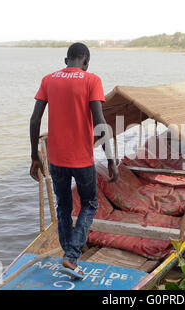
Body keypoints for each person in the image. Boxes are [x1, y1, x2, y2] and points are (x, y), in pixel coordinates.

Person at [29, 42, 119, 277]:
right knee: (89, 204)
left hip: (56, 159)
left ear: (65, 59)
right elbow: (100, 122)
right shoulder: (92, 80)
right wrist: (110, 160)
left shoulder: (49, 79)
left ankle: (68, 253)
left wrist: (34, 156)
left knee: (64, 206)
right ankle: (71, 256)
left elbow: (34, 120)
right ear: (86, 62)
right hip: (81, 159)